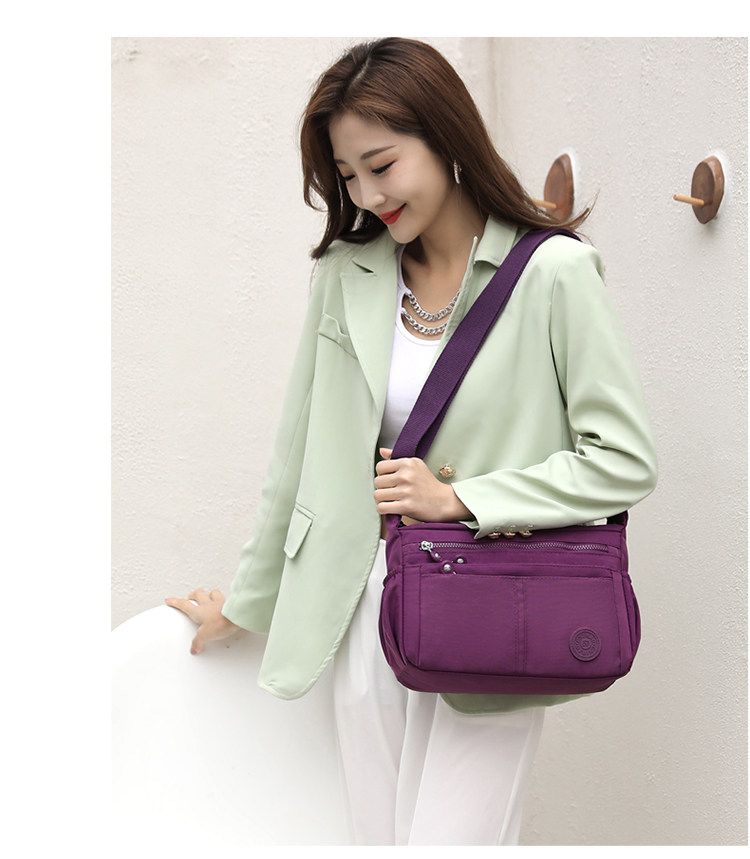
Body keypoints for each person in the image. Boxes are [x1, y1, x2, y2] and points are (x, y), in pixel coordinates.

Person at [166, 37, 658, 846]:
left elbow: (624, 460)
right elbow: (297, 453)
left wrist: (461, 498)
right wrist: (249, 603)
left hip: (494, 604)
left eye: (382, 164)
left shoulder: (555, 273)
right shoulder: (348, 273)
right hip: (365, 603)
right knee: (379, 837)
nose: (367, 193)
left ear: (444, 135)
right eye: (347, 175)